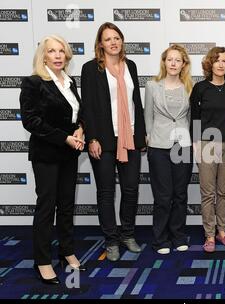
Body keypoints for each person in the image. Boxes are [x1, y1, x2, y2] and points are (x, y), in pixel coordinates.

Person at [20, 35, 87, 284]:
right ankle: (43, 260)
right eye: (52, 51)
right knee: (47, 207)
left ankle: (66, 250)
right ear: (43, 55)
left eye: (61, 51)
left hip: (69, 153)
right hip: (47, 154)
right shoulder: (33, 82)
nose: (58, 55)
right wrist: (65, 138)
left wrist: (81, 129)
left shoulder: (69, 82)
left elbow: (77, 114)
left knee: (67, 205)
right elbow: (31, 121)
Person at [81, 22, 146, 261]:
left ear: (122, 41)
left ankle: (127, 234)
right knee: (106, 192)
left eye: (116, 38)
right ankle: (111, 240)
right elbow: (86, 106)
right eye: (108, 39)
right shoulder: (91, 69)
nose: (113, 42)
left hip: (129, 138)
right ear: (100, 44)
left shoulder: (131, 66)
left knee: (131, 190)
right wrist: (92, 138)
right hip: (104, 140)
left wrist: (140, 135)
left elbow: (136, 103)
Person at [144, 44, 193, 254]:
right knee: (163, 196)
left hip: (182, 146)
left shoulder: (189, 87)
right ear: (164, 62)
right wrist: (149, 138)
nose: (173, 63)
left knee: (180, 194)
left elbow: (189, 118)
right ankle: (161, 239)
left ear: (183, 64)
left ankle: (178, 235)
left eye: (178, 60)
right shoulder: (152, 86)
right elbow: (148, 116)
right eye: (170, 59)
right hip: (159, 146)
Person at [190, 47, 225, 253]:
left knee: (223, 192)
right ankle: (209, 235)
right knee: (208, 193)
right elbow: (194, 117)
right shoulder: (200, 88)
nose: (221, 64)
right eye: (217, 60)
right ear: (210, 64)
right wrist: (195, 143)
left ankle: (222, 231)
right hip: (206, 144)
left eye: (224, 61)